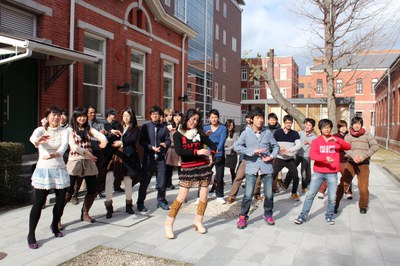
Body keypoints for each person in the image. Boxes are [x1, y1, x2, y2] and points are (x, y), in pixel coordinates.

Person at [164, 109, 217, 239]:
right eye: (192, 119)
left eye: (197, 120)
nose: (195, 122)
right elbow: (180, 151)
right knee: (181, 197)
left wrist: (211, 155)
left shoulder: (199, 133)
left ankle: (198, 221)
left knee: (204, 197)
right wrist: (197, 152)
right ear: (186, 118)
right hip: (187, 168)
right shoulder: (178, 134)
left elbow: (213, 145)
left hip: (203, 168)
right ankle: (168, 224)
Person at [27, 106, 70, 249]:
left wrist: (57, 154)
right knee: (39, 202)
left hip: (59, 169)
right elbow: (33, 138)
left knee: (60, 202)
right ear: (47, 116)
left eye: (58, 115)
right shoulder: (41, 130)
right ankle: (31, 234)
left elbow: (64, 146)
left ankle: (55, 225)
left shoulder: (64, 131)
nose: (56, 117)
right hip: (44, 170)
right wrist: (38, 141)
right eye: (53, 115)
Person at [294, 119, 351, 225]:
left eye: (329, 127)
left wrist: (337, 140)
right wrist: (324, 158)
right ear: (320, 129)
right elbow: (313, 155)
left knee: (332, 197)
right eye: (324, 127)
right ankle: (303, 215)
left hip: (332, 172)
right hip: (319, 172)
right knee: (310, 195)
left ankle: (329, 215)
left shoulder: (335, 140)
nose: (327, 129)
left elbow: (348, 146)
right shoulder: (316, 141)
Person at [234, 108, 279, 229]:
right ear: (252, 119)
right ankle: (243, 217)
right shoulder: (246, 133)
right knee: (248, 195)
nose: (260, 120)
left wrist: (271, 156)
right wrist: (251, 151)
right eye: (257, 118)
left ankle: (268, 214)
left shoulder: (268, 132)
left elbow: (275, 146)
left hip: (266, 166)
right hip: (251, 166)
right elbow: (236, 147)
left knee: (269, 194)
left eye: (261, 118)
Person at [65, 107, 107, 223]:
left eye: (84, 116)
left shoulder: (88, 129)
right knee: (68, 191)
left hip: (88, 162)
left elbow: (100, 135)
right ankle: (57, 218)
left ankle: (85, 213)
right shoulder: (70, 130)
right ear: (75, 117)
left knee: (92, 190)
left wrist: (104, 141)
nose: (82, 118)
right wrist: (86, 153)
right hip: (75, 161)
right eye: (80, 116)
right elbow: (73, 146)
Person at [335, 116, 379, 214]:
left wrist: (364, 156)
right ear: (352, 125)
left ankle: (363, 206)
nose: (357, 125)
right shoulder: (348, 136)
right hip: (351, 163)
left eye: (359, 123)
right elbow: (345, 147)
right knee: (343, 183)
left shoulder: (368, 135)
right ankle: (334, 204)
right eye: (355, 123)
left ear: (361, 124)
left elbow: (375, 146)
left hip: (364, 164)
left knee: (363, 187)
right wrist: (354, 156)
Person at [104, 108, 142, 218]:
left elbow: (132, 140)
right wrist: (112, 131)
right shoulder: (118, 125)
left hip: (128, 158)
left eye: (128, 116)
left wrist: (121, 142)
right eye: (124, 116)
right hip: (116, 157)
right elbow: (106, 125)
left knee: (127, 182)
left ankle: (129, 204)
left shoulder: (135, 129)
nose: (125, 118)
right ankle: (109, 206)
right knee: (109, 178)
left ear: (132, 117)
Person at [138, 106, 171, 212]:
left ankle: (161, 200)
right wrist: (151, 147)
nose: (154, 115)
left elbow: (168, 141)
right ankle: (140, 203)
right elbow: (141, 141)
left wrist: (165, 144)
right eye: (152, 114)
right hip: (149, 158)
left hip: (160, 158)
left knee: (162, 182)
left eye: (156, 113)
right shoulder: (146, 126)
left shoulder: (164, 128)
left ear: (160, 115)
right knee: (145, 182)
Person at [318, 120, 351, 199]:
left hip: (345, 160)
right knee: (328, 176)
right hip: (334, 160)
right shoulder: (334, 136)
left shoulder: (349, 136)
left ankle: (348, 192)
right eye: (341, 127)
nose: (343, 128)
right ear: (338, 128)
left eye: (344, 126)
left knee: (347, 176)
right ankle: (321, 191)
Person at [272, 114, 302, 200]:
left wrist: (288, 150)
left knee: (296, 176)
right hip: (279, 158)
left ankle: (294, 193)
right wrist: (279, 148)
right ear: (284, 123)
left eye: (290, 123)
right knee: (272, 175)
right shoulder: (278, 132)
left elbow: (299, 145)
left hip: (289, 159)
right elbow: (273, 143)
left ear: (292, 123)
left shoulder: (295, 133)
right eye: (287, 123)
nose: (288, 124)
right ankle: (269, 192)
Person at [284, 118, 317, 193]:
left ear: (312, 127)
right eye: (306, 124)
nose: (307, 126)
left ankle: (304, 186)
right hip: (297, 154)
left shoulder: (314, 137)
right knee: (291, 169)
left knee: (304, 172)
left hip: (306, 156)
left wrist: (309, 143)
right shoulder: (300, 133)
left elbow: (316, 146)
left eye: (309, 125)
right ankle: (285, 184)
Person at [203, 109, 227, 204]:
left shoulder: (222, 128)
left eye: (215, 117)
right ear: (209, 118)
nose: (214, 119)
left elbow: (222, 142)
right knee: (204, 175)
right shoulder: (205, 128)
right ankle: (201, 195)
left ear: (218, 118)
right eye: (212, 117)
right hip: (207, 155)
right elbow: (202, 140)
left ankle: (220, 195)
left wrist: (215, 152)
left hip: (219, 154)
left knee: (219, 176)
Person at [103, 108, 125, 193]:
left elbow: (120, 133)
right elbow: (108, 128)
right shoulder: (104, 124)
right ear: (108, 115)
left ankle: (117, 185)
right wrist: (112, 132)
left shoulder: (117, 124)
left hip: (116, 149)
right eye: (113, 114)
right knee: (105, 167)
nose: (115, 116)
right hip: (106, 149)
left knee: (118, 167)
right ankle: (101, 187)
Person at [87, 106, 107, 199]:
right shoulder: (84, 123)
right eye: (90, 112)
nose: (92, 114)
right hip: (87, 151)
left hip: (98, 149)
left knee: (100, 170)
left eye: (94, 112)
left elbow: (102, 135)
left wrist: (103, 133)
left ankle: (98, 191)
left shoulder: (99, 123)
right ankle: (74, 194)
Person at [165, 110, 183, 190]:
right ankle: (168, 183)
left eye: (178, 116)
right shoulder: (169, 126)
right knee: (169, 167)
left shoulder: (183, 127)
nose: (177, 118)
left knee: (180, 167)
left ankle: (182, 183)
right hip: (171, 149)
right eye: (175, 116)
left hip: (179, 149)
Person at [224, 119, 239, 184]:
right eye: (229, 125)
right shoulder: (223, 133)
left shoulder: (235, 134)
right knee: (220, 170)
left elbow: (238, 144)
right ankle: (216, 185)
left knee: (232, 170)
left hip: (232, 154)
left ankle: (234, 183)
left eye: (232, 125)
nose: (231, 126)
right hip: (224, 154)